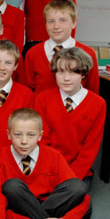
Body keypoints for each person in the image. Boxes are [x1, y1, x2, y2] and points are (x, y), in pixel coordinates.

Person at [0, 108, 99, 219]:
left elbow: (84, 200)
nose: (23, 141)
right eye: (18, 134)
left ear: (40, 135)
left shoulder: (53, 156)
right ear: (8, 134)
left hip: (52, 207)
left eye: (30, 135)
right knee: (12, 186)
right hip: (18, 209)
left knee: (78, 187)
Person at [35, 47, 105, 181]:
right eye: (61, 71)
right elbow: (42, 141)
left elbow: (90, 147)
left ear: (83, 74)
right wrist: (52, 171)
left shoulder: (98, 104)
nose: (66, 78)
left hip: (77, 171)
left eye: (73, 72)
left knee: (76, 193)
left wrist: (71, 177)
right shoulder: (42, 99)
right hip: (47, 167)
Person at [23, 0, 99, 95]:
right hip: (40, 109)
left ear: (74, 22)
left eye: (63, 20)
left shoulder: (88, 53)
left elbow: (92, 93)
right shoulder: (32, 54)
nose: (56, 26)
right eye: (51, 21)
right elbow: (27, 92)